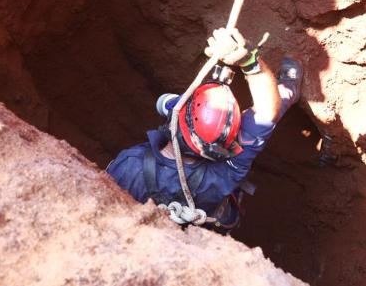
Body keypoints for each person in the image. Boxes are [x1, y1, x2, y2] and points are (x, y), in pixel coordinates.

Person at [106, 27, 303, 232]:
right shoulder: (227, 167)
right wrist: (250, 61)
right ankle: (287, 89)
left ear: (175, 122)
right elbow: (266, 113)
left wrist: (173, 105)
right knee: (275, 104)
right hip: (209, 230)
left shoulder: (129, 165)